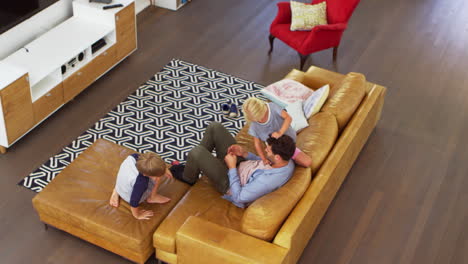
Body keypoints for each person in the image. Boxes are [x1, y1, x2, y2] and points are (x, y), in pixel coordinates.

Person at [177, 122, 295, 208]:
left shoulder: (267, 181)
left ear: (277, 157)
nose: (265, 151)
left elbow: (239, 197)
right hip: (240, 165)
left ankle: (189, 177)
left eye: (268, 151)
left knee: (196, 152)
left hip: (229, 183)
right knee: (215, 127)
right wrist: (245, 154)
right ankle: (196, 164)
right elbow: (264, 162)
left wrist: (232, 167)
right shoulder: (286, 160)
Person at [242, 97, 312, 167]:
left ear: (262, 108)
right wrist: (264, 159)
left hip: (287, 145)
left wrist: (280, 132)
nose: (258, 120)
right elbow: (257, 144)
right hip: (274, 152)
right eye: (255, 119)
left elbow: (288, 118)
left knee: (307, 162)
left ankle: (291, 159)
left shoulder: (272, 107)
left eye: (259, 116)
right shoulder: (254, 124)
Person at [109, 152, 173, 220]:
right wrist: (137, 215)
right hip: (129, 196)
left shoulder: (134, 156)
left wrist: (163, 169)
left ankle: (117, 190)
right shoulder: (141, 183)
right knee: (158, 178)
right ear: (145, 174)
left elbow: (152, 164)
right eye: (155, 175)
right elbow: (134, 201)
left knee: (157, 175)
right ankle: (152, 197)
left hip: (120, 184)